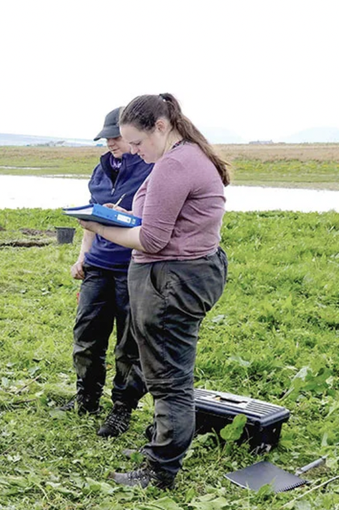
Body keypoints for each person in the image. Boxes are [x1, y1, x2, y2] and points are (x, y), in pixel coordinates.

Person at [78, 93, 230, 489]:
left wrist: (99, 228)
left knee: (170, 380)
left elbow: (154, 238)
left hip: (173, 279)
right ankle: (161, 445)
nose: (134, 151)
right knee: (166, 369)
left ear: (161, 127)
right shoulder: (184, 157)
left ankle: (160, 470)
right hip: (178, 275)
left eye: (138, 143)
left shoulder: (175, 164)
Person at [63, 107, 152, 438]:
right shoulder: (100, 171)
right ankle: (86, 397)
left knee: (129, 344)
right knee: (86, 335)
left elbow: (153, 221)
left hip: (134, 266)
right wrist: (82, 257)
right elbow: (93, 219)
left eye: (116, 136)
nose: (111, 142)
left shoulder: (151, 168)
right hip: (98, 266)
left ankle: (121, 409)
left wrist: (127, 215)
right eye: (107, 137)